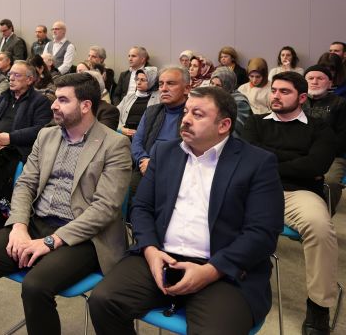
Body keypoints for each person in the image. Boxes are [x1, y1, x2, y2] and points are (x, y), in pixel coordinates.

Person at [89, 86, 285, 335]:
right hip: (161, 257)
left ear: (224, 125)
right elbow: (142, 207)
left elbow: (262, 233)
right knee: (104, 301)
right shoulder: (165, 152)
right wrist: (150, 250)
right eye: (186, 112)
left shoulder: (257, 163)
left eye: (198, 114)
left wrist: (212, 270)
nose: (186, 120)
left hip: (223, 268)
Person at [0, 72, 132, 335]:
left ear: (86, 105)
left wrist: (52, 241)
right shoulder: (47, 136)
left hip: (84, 236)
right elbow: (25, 184)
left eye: (63, 100)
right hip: (36, 222)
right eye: (55, 99)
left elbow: (105, 208)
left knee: (36, 286)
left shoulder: (115, 144)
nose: (53, 105)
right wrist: (19, 226)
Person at [241, 71, 339, 334]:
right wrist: (296, 162)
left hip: (299, 194)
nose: (276, 96)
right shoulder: (256, 122)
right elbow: (247, 157)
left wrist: (268, 159)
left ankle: (318, 306)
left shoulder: (320, 128)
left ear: (302, 98)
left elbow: (316, 166)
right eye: (274, 90)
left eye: (284, 92)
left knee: (320, 228)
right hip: (255, 191)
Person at [0, 61, 52, 162]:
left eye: (17, 75)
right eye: (10, 74)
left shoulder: (40, 101)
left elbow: (40, 130)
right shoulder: (3, 96)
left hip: (16, 149)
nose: (11, 78)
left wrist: (11, 138)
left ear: (29, 80)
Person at [130, 66, 190, 180]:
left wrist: (156, 165)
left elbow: (191, 152)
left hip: (178, 173)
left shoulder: (193, 116)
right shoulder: (151, 111)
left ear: (186, 89)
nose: (164, 89)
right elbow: (137, 143)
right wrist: (143, 160)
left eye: (170, 84)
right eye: (161, 84)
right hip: (145, 169)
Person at [303, 65, 346, 212]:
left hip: (332, 156)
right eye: (310, 78)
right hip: (298, 152)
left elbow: (342, 137)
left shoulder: (340, 104)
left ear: (330, 83)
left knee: (331, 182)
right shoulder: (296, 101)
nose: (314, 82)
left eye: (320, 78)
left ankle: (323, 217)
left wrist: (319, 158)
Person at [117, 67, 160, 137]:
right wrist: (121, 129)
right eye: (137, 79)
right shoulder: (128, 97)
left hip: (147, 137)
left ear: (152, 81)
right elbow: (115, 115)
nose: (138, 82)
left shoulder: (159, 98)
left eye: (143, 80)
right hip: (125, 135)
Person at [209, 68, 252, 133]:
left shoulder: (240, 102)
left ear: (227, 86)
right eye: (212, 83)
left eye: (218, 85)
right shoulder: (211, 97)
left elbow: (236, 129)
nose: (213, 88)